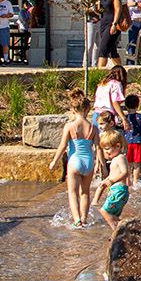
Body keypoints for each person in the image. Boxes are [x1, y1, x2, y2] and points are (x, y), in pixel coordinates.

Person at [51, 89, 99, 227]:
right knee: (85, 193)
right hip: (88, 162)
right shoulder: (93, 128)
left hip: (75, 161)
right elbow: (98, 148)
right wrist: (99, 163)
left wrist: (54, 161)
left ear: (72, 110)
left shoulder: (70, 126)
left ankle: (77, 220)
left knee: (73, 193)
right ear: (88, 109)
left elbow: (62, 146)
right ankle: (84, 219)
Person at [95, 150, 133, 233]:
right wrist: (105, 180)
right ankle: (126, 230)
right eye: (105, 150)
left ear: (117, 146)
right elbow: (112, 175)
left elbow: (125, 172)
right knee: (113, 216)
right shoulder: (115, 159)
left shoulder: (120, 158)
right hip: (117, 191)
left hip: (119, 191)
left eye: (108, 149)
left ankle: (116, 232)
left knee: (104, 211)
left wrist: (112, 181)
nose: (106, 152)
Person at [120, 92, 141, 185]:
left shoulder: (125, 118)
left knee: (128, 163)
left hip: (127, 142)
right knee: (137, 164)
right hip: (138, 142)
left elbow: (123, 132)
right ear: (137, 105)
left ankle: (128, 181)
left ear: (126, 106)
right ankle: (135, 181)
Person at [93, 59, 129, 134]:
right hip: (107, 116)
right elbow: (115, 101)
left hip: (96, 115)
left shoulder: (102, 84)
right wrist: (123, 118)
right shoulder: (116, 84)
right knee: (109, 139)